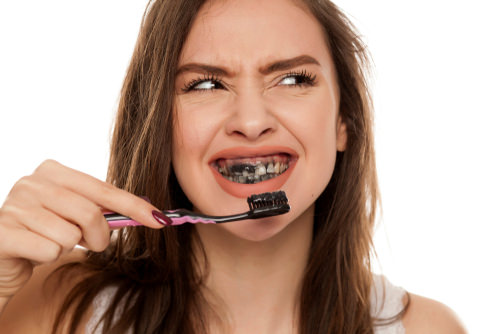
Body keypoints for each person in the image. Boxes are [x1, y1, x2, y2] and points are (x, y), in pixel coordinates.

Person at [0, 0, 467, 333]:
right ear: (160, 121)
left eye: (292, 79)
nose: (250, 121)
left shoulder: (427, 329)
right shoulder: (50, 305)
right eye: (205, 85)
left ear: (344, 122)